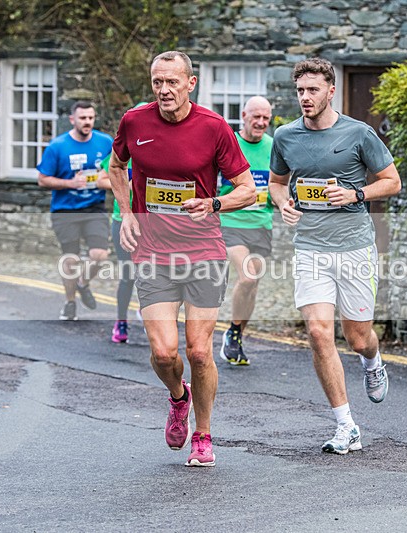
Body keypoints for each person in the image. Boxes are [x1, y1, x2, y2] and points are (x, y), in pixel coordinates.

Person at [108, 51, 255, 467]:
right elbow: (116, 167)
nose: (164, 90)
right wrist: (128, 212)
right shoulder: (134, 122)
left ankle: (204, 436)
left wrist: (214, 203)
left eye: (172, 82)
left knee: (199, 352)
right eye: (157, 82)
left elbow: (248, 190)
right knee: (164, 354)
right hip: (152, 252)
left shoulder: (213, 128)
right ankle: (178, 397)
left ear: (191, 83)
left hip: (204, 251)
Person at [268, 58, 402, 454]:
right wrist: (283, 204)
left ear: (330, 91)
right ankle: (346, 425)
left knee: (358, 338)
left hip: (355, 247)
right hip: (310, 247)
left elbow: (392, 182)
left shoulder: (359, 133)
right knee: (318, 332)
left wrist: (355, 194)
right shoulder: (286, 136)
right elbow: (277, 183)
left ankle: (373, 361)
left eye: (312, 90)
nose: (305, 98)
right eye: (300, 91)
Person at [37, 101, 113, 320]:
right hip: (65, 210)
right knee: (70, 259)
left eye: (90, 118)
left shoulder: (105, 142)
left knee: (100, 255)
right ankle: (70, 303)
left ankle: (83, 283)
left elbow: (113, 170)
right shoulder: (58, 146)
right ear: (72, 120)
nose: (87, 122)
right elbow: (42, 180)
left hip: (93, 208)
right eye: (82, 118)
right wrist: (69, 184)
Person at [218, 96, 274, 366]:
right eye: (256, 117)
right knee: (248, 277)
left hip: (262, 225)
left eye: (266, 118)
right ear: (244, 115)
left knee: (253, 287)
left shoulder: (273, 147)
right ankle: (233, 333)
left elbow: (279, 183)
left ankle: (236, 334)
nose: (261, 123)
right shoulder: (230, 143)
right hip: (232, 223)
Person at [98, 102, 149, 343]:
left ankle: (149, 314)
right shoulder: (123, 147)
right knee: (129, 273)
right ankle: (120, 321)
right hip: (124, 221)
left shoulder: (157, 148)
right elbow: (101, 180)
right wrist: (125, 185)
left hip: (151, 223)